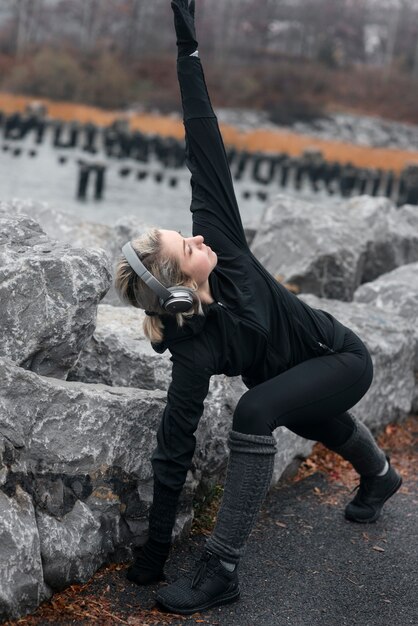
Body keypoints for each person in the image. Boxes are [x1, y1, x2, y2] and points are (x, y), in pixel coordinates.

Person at [114, 0, 402, 616]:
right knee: (298, 414)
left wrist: (187, 50)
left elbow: (202, 143)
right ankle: (380, 474)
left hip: (345, 358)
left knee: (258, 405)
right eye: (182, 247)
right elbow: (174, 446)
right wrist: (153, 554)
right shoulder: (193, 347)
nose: (195, 238)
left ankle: (221, 569)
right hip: (304, 385)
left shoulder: (222, 239)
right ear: (177, 289)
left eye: (184, 231)